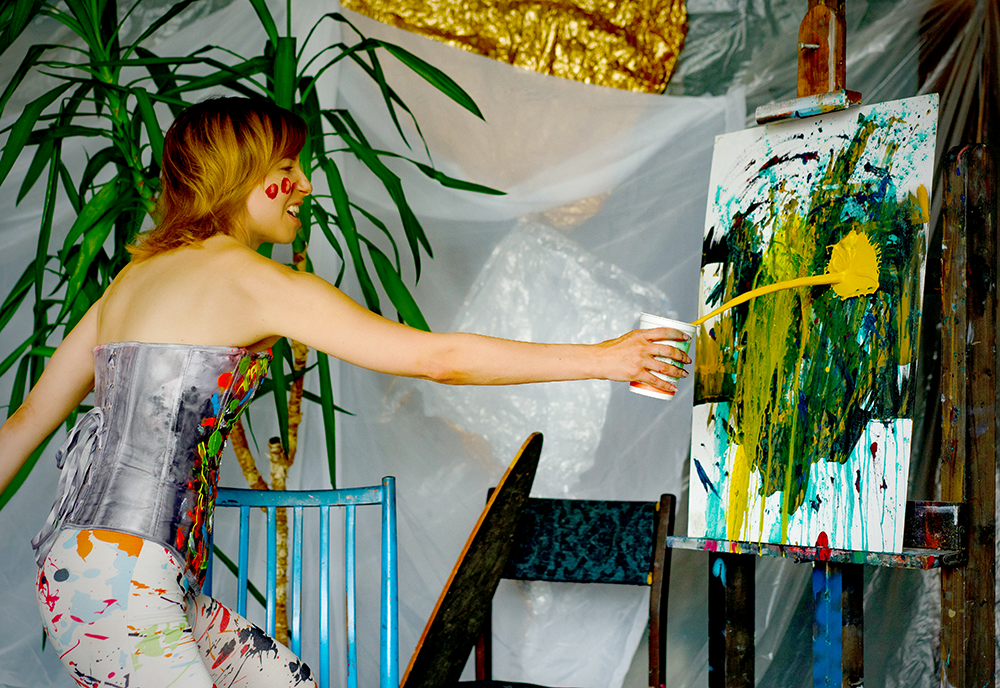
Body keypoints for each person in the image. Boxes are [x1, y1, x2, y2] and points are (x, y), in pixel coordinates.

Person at [0, 97, 691, 688]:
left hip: (97, 569)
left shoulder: (132, 280)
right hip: (124, 582)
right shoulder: (254, 281)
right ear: (241, 175)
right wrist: (602, 358)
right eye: (287, 168)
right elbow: (437, 359)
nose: (304, 185)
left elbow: (27, 420)